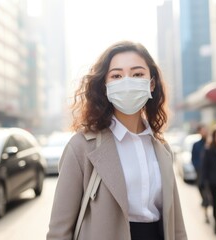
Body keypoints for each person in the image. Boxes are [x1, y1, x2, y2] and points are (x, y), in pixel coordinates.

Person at [46, 41, 187, 240]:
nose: (127, 82)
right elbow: (59, 231)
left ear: (151, 83)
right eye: (116, 76)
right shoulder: (81, 147)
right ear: (105, 86)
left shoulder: (161, 148)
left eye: (137, 74)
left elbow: (176, 224)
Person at [191, 124, 210, 223]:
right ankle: (205, 212)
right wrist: (198, 167)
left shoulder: (210, 143)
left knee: (209, 194)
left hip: (210, 174)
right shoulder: (196, 145)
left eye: (205, 130)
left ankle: (209, 212)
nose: (204, 132)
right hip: (200, 173)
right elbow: (193, 159)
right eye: (202, 130)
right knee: (202, 192)